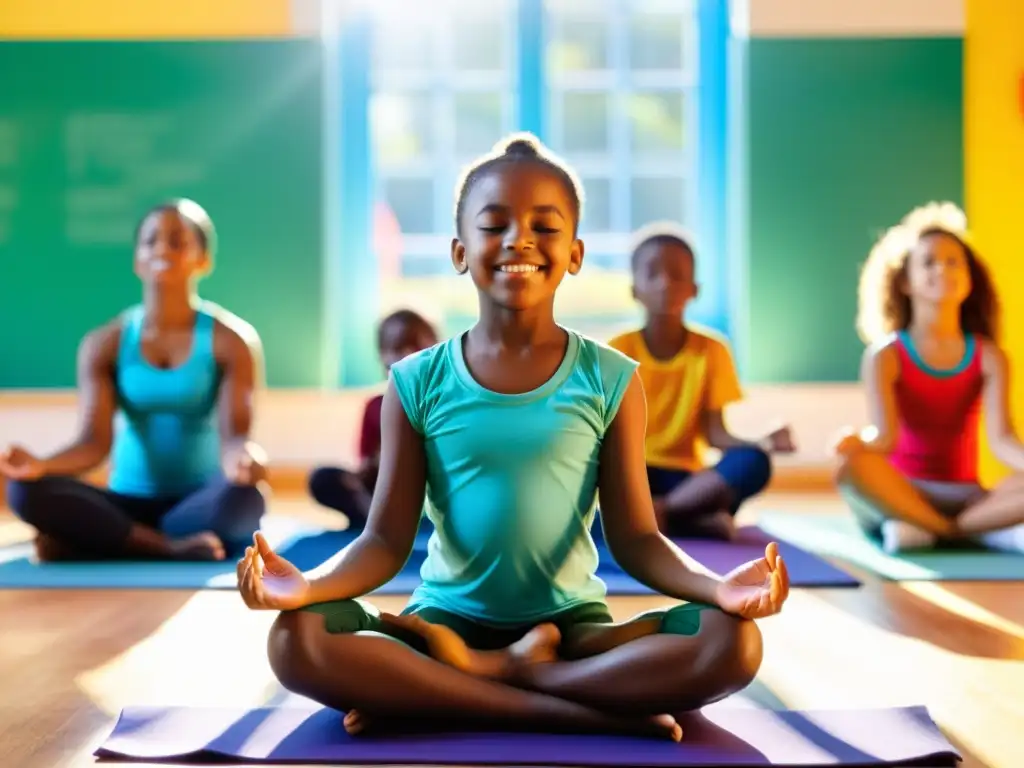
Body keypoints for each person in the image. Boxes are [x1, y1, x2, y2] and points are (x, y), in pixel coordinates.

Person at [237, 134, 789, 740]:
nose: (518, 239)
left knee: (732, 641)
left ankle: (457, 687)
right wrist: (308, 585)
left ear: (575, 253)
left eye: (543, 227)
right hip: (444, 622)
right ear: (458, 250)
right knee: (297, 638)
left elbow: (635, 538)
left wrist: (718, 587)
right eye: (494, 224)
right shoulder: (415, 381)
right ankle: (558, 704)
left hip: (570, 630)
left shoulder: (610, 379)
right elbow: (385, 540)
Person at [1, 199, 268, 562]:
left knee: (246, 498)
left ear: (203, 260)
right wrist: (41, 466)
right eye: (150, 241)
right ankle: (166, 546)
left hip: (198, 501)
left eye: (177, 241)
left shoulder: (231, 340)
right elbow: (93, 443)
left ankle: (103, 542)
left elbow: (235, 436)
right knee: (23, 491)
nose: (161, 248)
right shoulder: (105, 342)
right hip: (124, 503)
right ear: (137, 260)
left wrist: (246, 459)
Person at [834, 201, 1024, 554]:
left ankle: (933, 531)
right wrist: (856, 442)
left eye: (954, 261)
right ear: (905, 281)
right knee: (852, 470)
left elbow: (1002, 440)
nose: (943, 269)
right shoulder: (885, 355)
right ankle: (965, 533)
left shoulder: (989, 356)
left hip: (968, 495)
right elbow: (883, 438)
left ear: (969, 279)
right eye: (929, 262)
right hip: (906, 490)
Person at [607, 223, 795, 540]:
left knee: (752, 463)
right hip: (632, 474)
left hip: (688, 482)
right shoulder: (618, 350)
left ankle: (660, 514)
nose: (665, 283)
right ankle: (686, 522)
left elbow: (716, 434)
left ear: (694, 289)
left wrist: (762, 443)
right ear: (634, 290)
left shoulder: (712, 350)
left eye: (677, 274)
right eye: (652, 273)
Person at [307, 309, 438, 528]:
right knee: (323, 478)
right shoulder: (376, 406)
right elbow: (366, 462)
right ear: (382, 356)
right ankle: (374, 518)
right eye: (394, 349)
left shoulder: (440, 401)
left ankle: (388, 521)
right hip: (385, 487)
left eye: (412, 348)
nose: (403, 357)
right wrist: (368, 469)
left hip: (427, 488)